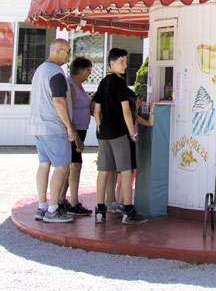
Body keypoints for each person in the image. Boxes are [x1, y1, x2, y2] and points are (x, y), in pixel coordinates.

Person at [29, 39, 82, 223]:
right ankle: (53, 210)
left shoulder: (40, 70)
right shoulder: (56, 73)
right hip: (53, 127)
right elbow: (59, 101)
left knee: (44, 165)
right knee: (62, 167)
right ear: (58, 51)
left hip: (38, 126)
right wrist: (69, 127)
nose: (69, 56)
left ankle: (42, 206)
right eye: (67, 51)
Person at [93, 47, 147, 225]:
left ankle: (100, 210)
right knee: (125, 170)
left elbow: (96, 109)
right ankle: (128, 210)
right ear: (112, 63)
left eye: (125, 61)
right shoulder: (119, 84)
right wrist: (132, 132)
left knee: (103, 171)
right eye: (121, 62)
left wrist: (100, 127)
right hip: (119, 133)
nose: (125, 65)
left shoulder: (103, 82)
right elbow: (126, 111)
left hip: (104, 134)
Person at [65, 56, 95, 216]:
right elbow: (68, 113)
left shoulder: (79, 86)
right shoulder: (70, 85)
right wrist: (75, 135)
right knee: (74, 165)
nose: (90, 73)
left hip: (81, 130)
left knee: (73, 165)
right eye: (88, 70)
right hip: (74, 131)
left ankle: (66, 200)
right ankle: (73, 202)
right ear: (81, 70)